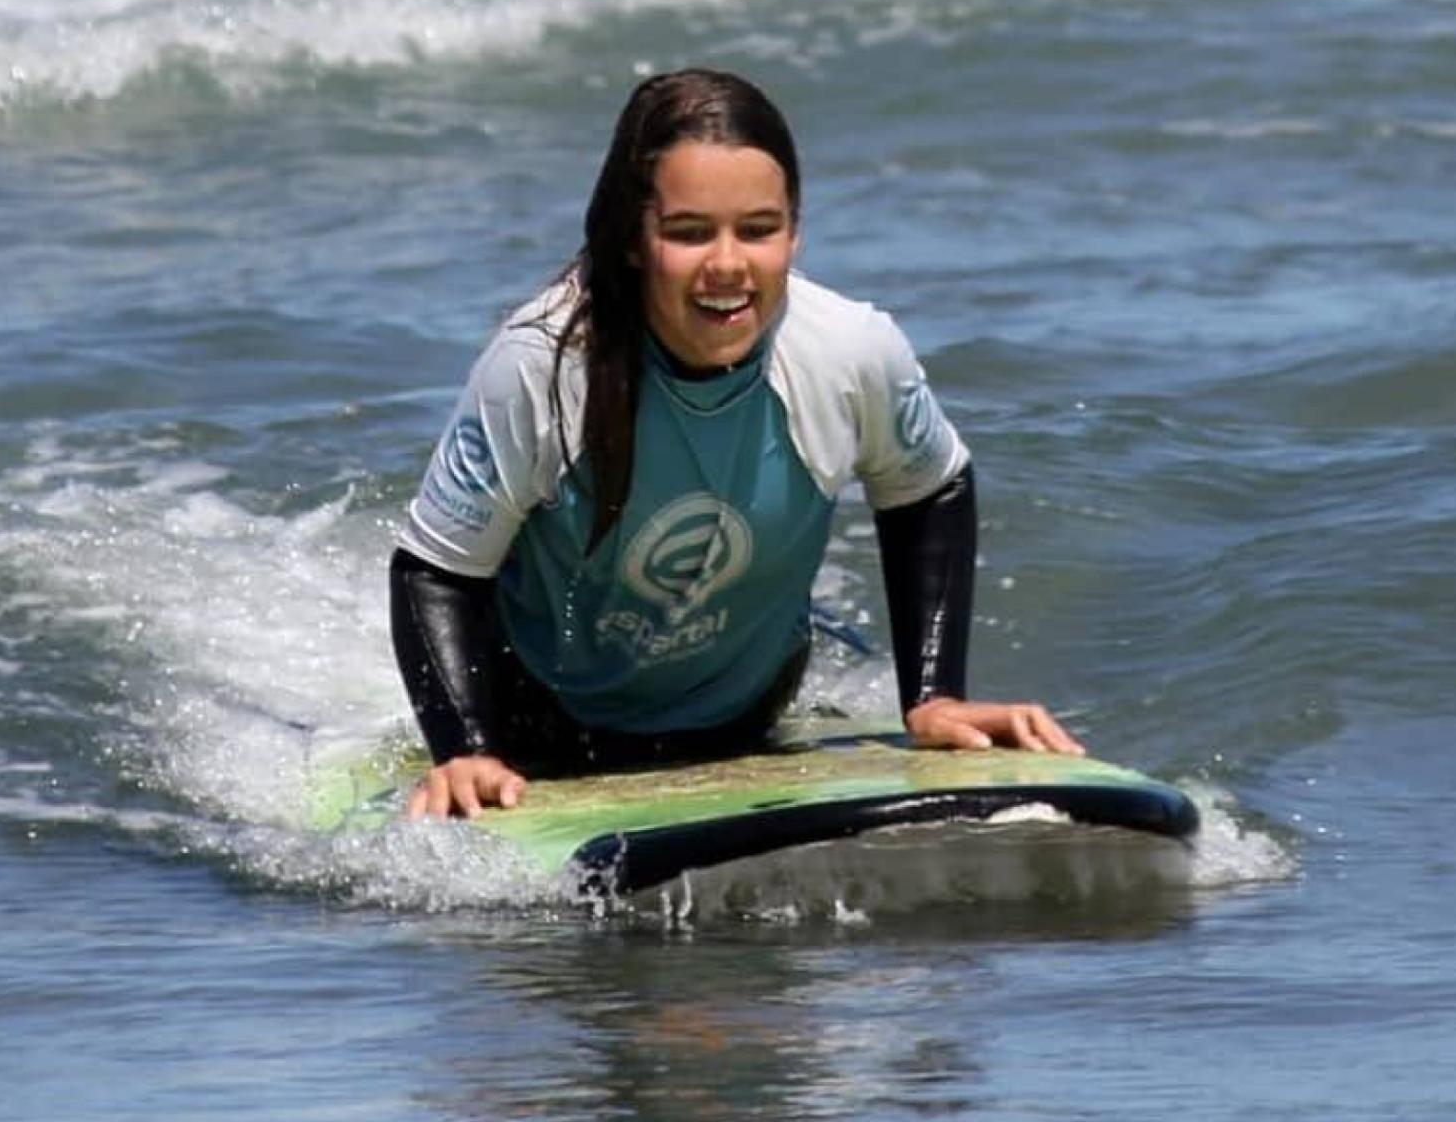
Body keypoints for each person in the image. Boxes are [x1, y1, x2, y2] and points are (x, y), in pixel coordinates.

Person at [390, 68, 1083, 820]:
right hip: (541, 731)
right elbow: (435, 569)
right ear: (632, 238)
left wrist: (934, 697)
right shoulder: (543, 366)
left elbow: (929, 487)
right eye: (689, 233)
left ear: (795, 231)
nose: (728, 264)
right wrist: (464, 749)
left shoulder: (850, 350)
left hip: (747, 718)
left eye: (758, 229)